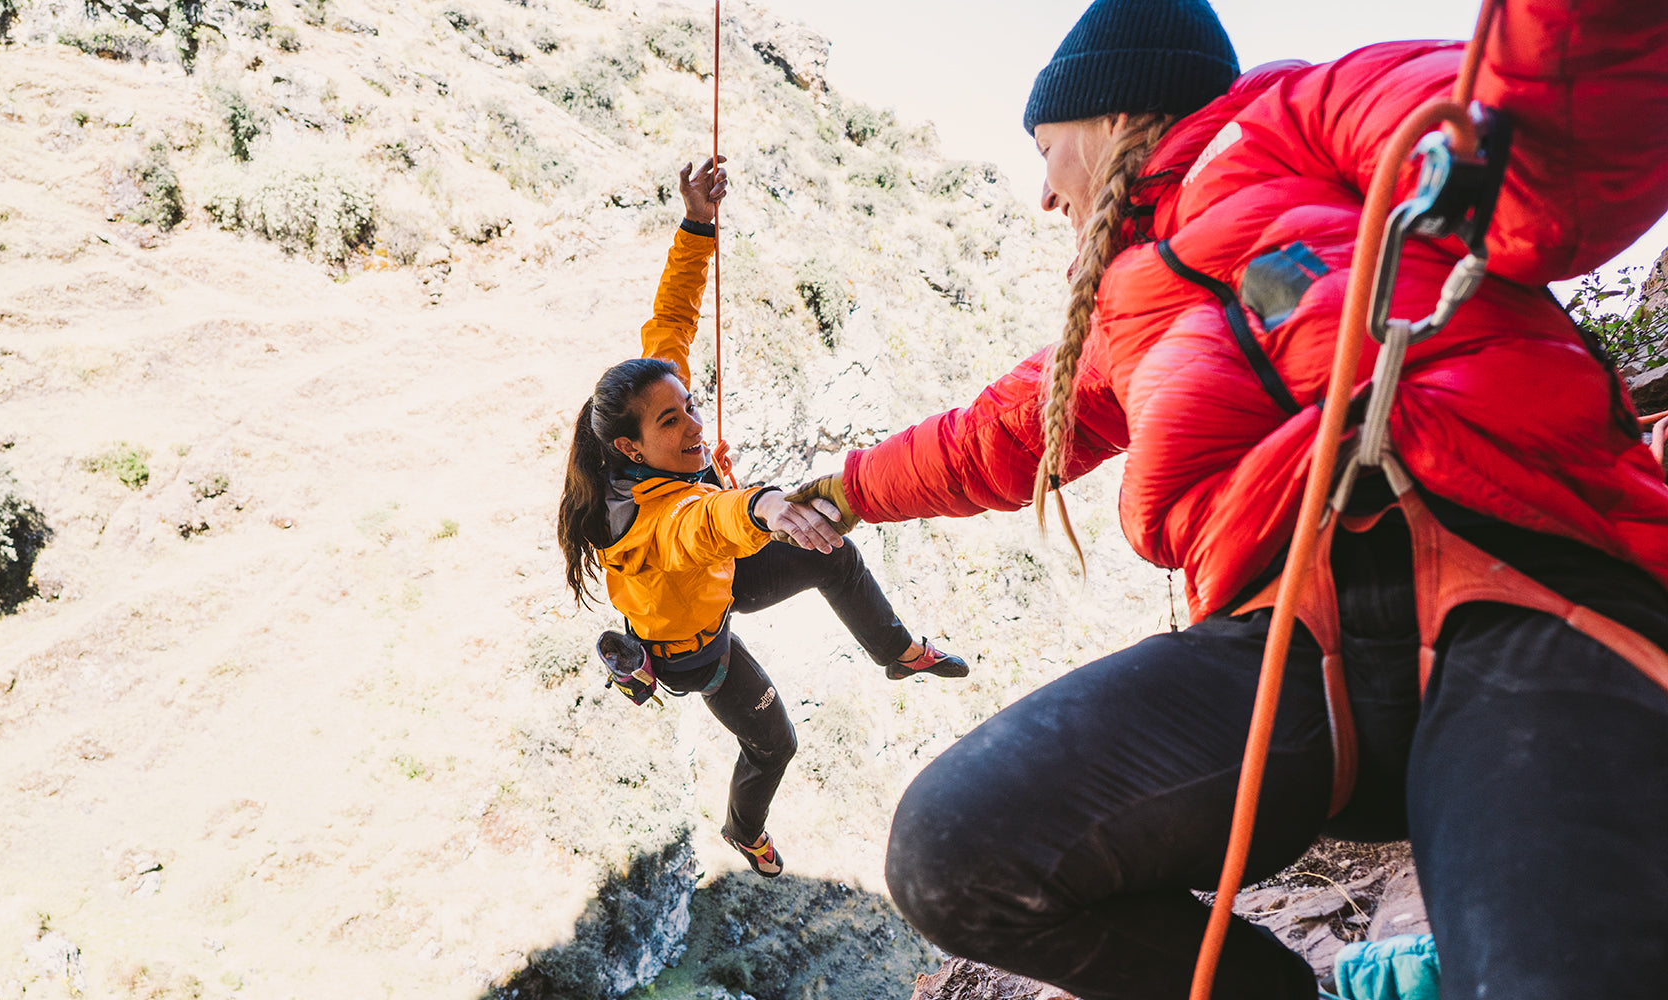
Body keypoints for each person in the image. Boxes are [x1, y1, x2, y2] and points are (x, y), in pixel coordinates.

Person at [783, 0, 1668, 996]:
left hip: (1526, 585)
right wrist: (841, 492)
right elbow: (987, 438)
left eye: (1045, 148)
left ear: (1115, 116)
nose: (1042, 193)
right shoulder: (1120, 318)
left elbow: (1539, 138)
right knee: (956, 852)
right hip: (1287, 644)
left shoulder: (1304, 112)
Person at [556, 156, 970, 879]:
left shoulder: (643, 411)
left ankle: (897, 654)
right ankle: (743, 829)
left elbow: (674, 315)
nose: (691, 426)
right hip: (694, 641)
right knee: (774, 745)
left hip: (717, 576)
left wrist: (696, 221)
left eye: (687, 407)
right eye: (672, 422)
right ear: (629, 445)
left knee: (831, 553)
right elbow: (703, 522)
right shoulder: (650, 521)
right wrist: (767, 504)